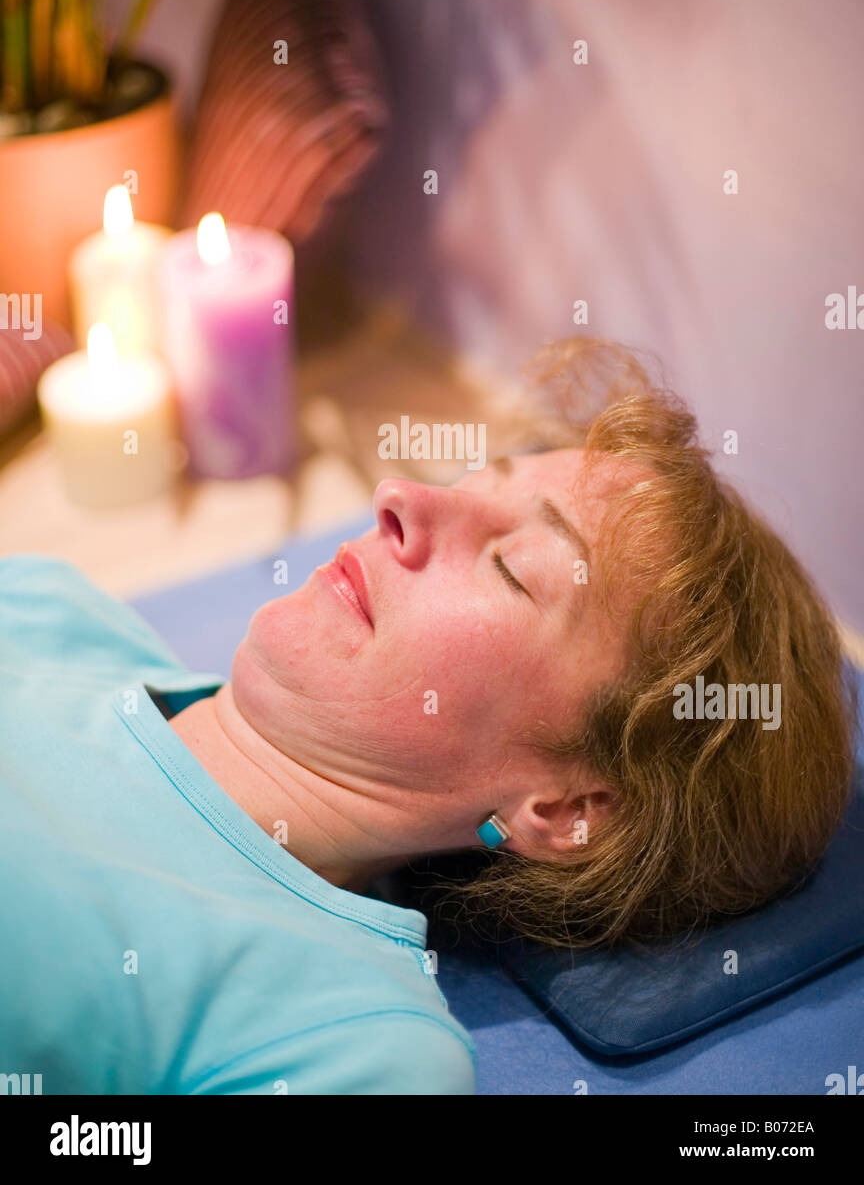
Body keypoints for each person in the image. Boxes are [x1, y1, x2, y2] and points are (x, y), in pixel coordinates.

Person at [0, 340, 856, 1094]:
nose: (398, 496)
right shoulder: (50, 608)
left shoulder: (344, 1039)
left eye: (512, 569)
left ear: (566, 811)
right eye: (463, 482)